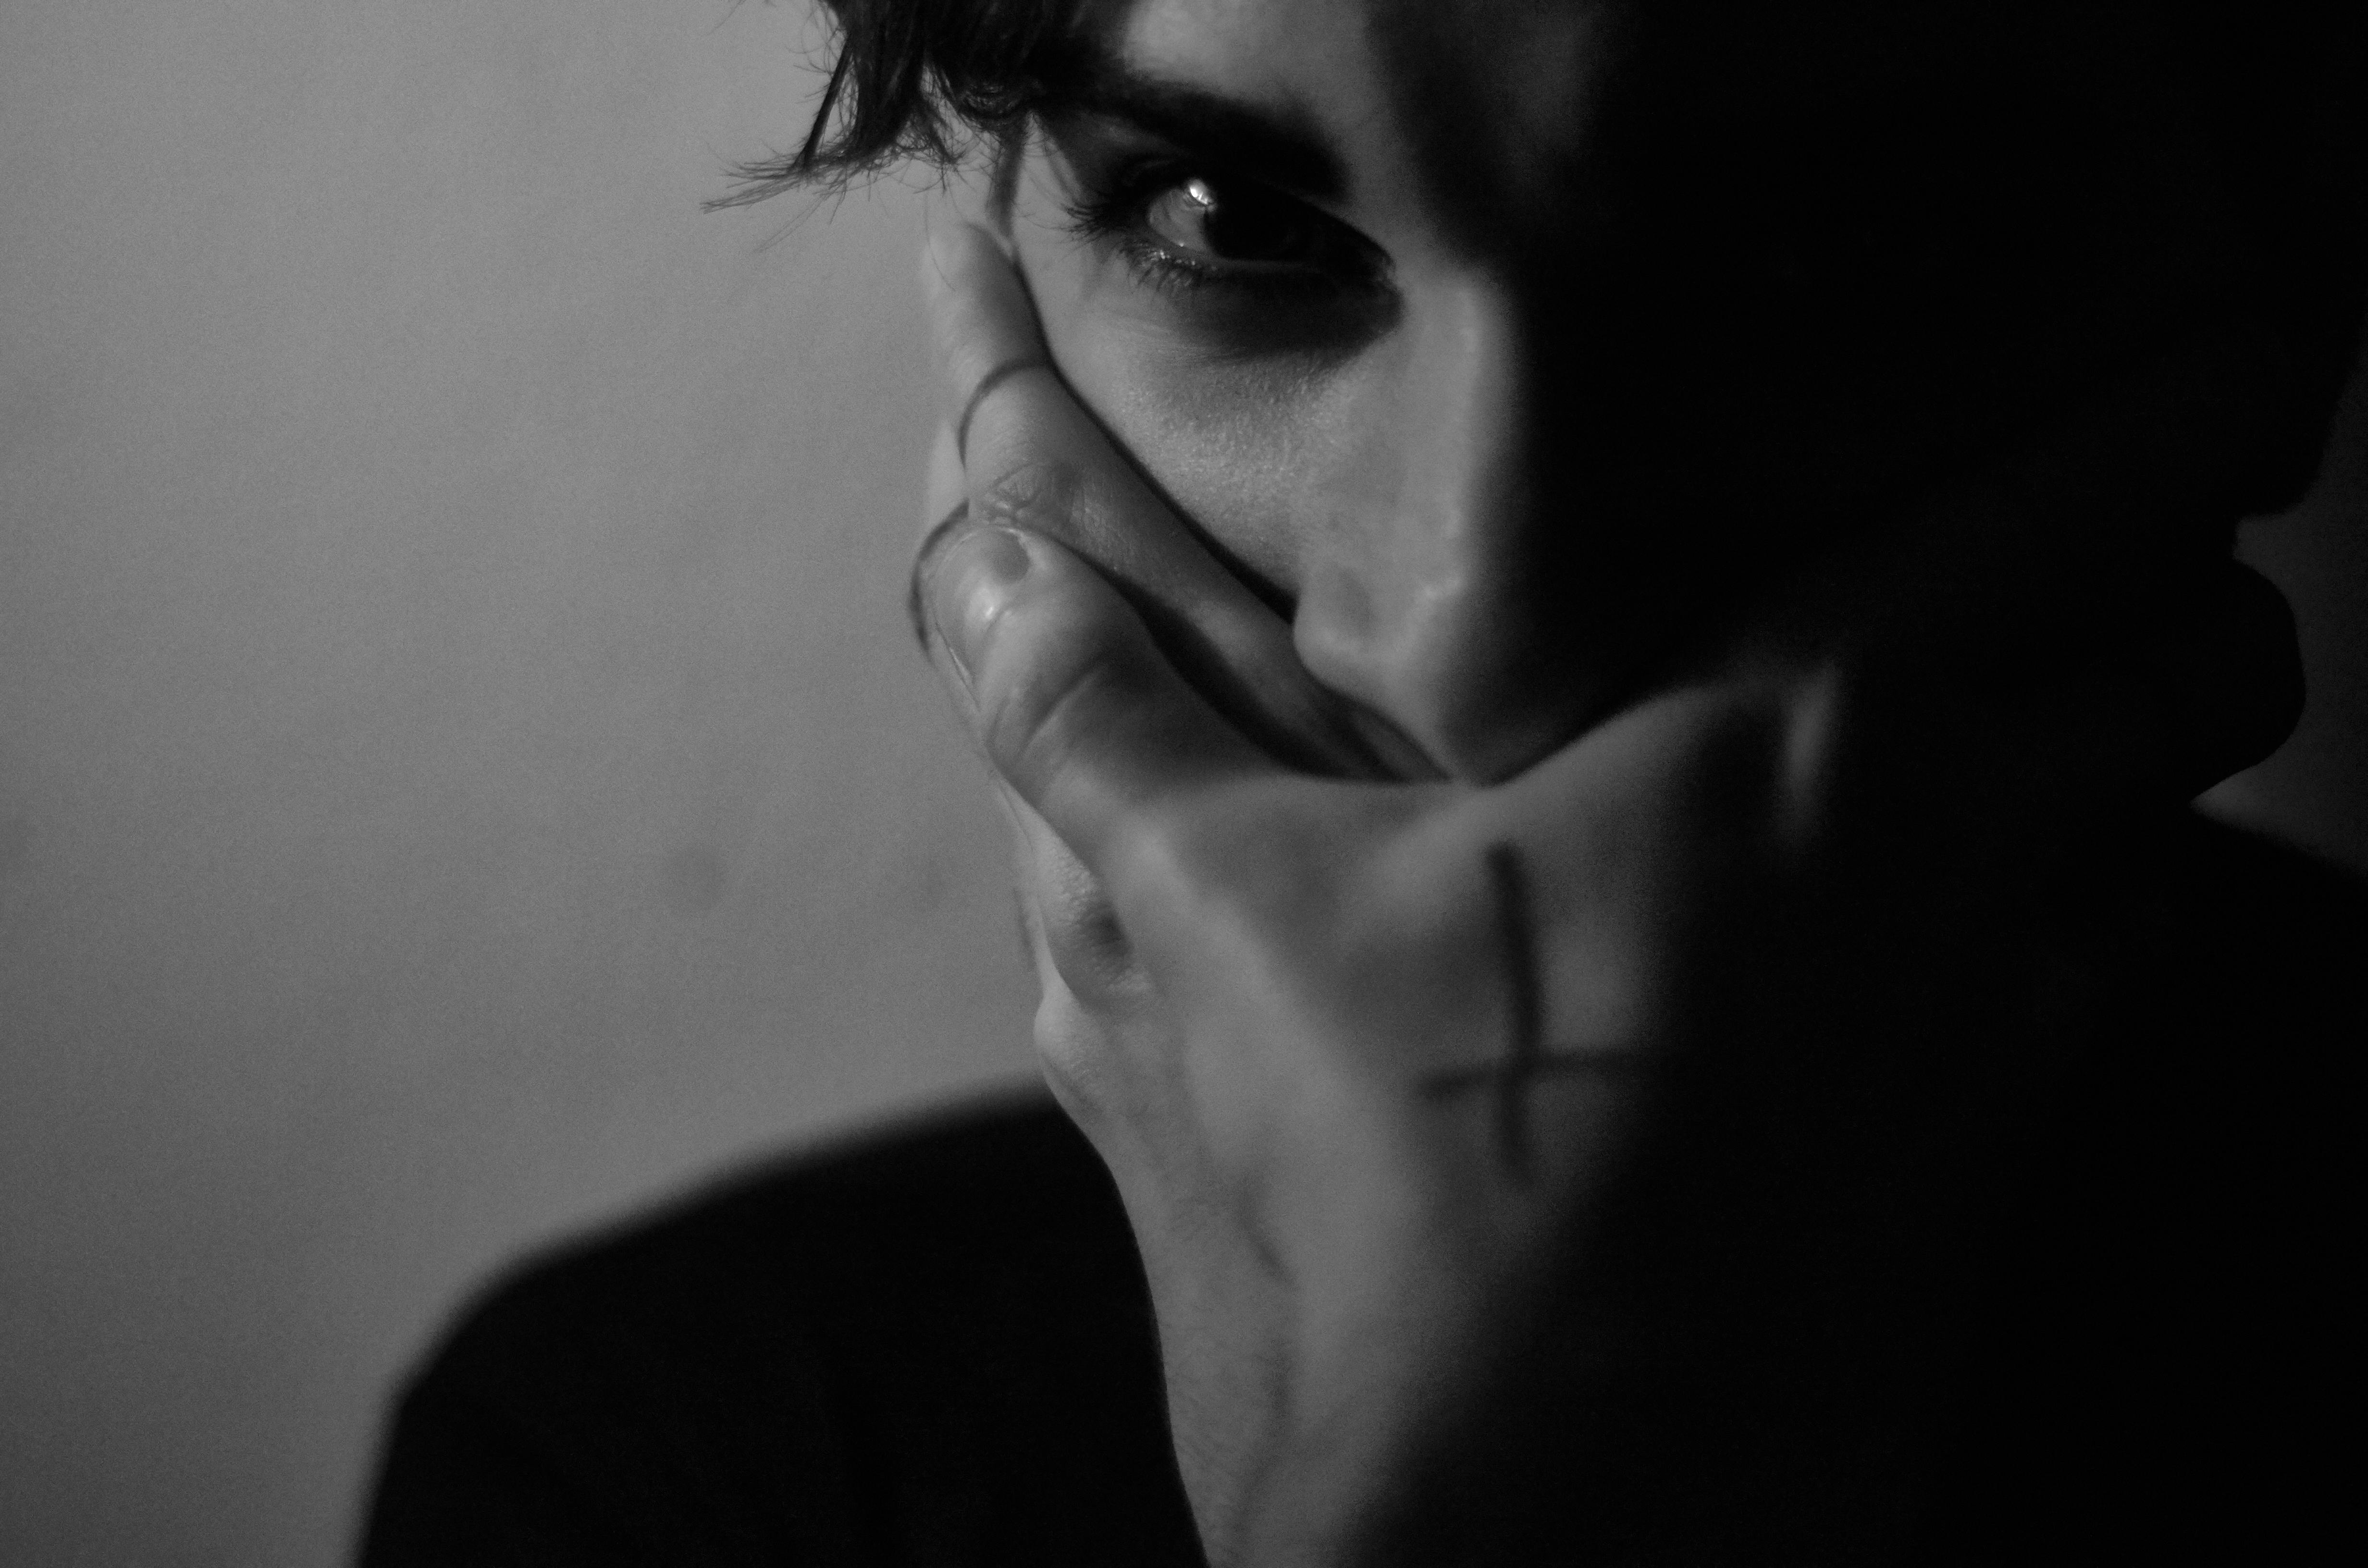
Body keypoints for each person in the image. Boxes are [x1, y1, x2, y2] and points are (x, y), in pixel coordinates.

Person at [359, 1, 2365, 1562]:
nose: (1462, 641)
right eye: (1231, 222)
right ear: (996, 290)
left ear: (2279, 294)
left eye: (1810, 254)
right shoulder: (681, 1469)